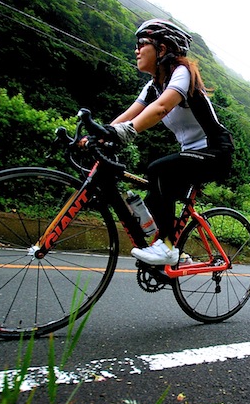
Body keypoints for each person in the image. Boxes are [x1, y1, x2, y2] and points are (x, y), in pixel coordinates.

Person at [98, 19, 234, 265]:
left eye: (142, 44)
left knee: (157, 170)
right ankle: (177, 255)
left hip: (216, 152)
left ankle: (169, 248)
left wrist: (126, 133)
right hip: (191, 154)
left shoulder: (181, 72)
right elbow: (130, 114)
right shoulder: (153, 86)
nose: (136, 50)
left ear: (161, 50)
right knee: (153, 198)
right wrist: (102, 133)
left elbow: (160, 108)